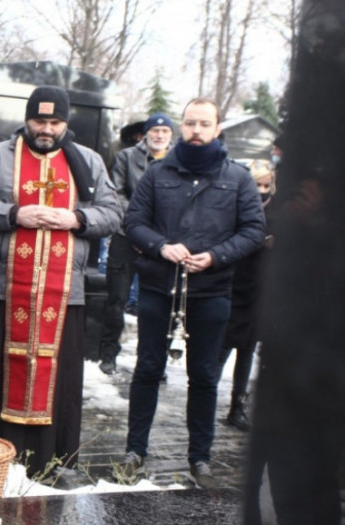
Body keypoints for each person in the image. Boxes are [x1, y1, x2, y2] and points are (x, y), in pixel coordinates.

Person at [0, 86, 122, 477]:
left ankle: (52, 463)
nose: (47, 129)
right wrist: (13, 213)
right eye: (40, 120)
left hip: (64, 294)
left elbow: (112, 214)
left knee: (60, 383)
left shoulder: (87, 161)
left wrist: (78, 219)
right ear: (27, 118)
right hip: (2, 290)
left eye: (55, 122)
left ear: (65, 123)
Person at [121, 98, 265, 489]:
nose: (196, 130)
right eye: (190, 123)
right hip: (159, 286)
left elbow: (253, 230)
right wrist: (161, 247)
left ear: (217, 129)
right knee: (147, 369)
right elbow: (134, 221)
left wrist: (216, 256)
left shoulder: (238, 177)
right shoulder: (157, 173)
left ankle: (200, 458)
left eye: (204, 124)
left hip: (211, 290)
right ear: (181, 127)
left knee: (203, 376)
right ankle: (135, 450)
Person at [97, 113, 174, 375]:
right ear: (146, 134)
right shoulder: (126, 157)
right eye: (155, 131)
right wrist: (139, 227)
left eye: (165, 132)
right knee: (117, 298)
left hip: (162, 242)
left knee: (158, 303)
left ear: (171, 136)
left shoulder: (177, 161)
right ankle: (108, 354)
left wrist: (153, 236)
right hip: (126, 235)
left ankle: (154, 361)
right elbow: (117, 194)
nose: (159, 136)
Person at [217, 160, 275, 431]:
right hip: (232, 283)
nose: (261, 190)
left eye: (266, 185)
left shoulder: (277, 210)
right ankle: (206, 398)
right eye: (257, 184)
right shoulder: (235, 206)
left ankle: (237, 406)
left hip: (258, 289)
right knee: (222, 347)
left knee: (247, 350)